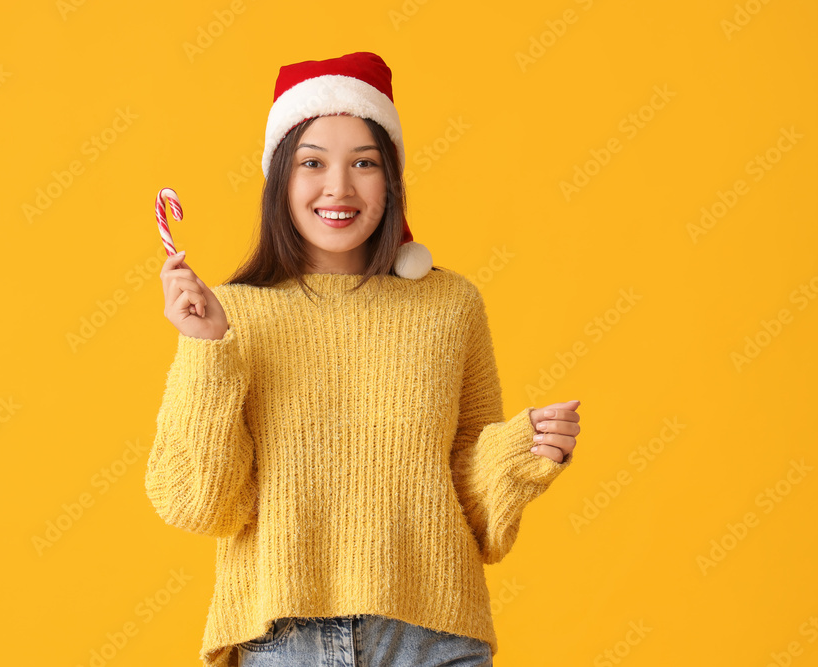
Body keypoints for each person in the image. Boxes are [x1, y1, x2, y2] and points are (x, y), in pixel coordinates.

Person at [144, 51, 581, 667]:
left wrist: (523, 451)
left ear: (392, 181)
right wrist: (207, 348)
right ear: (279, 181)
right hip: (282, 640)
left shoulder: (450, 306)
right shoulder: (229, 315)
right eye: (312, 163)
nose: (338, 188)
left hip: (433, 637)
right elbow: (201, 504)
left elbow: (471, 514)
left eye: (365, 164)